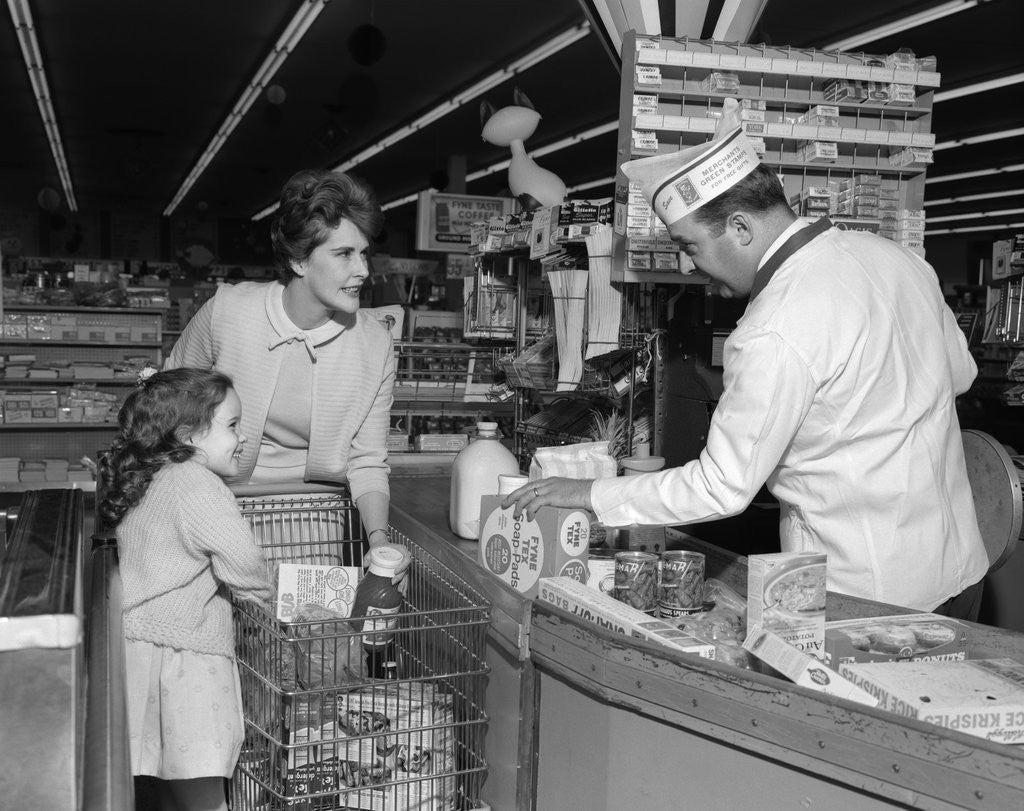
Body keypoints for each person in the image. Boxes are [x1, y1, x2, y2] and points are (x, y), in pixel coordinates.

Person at [505, 99, 988, 620]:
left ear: (739, 227)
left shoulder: (774, 326)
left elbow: (722, 487)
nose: (691, 268)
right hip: (959, 570)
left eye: (689, 246)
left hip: (866, 596)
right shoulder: (896, 258)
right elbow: (960, 375)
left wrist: (587, 492)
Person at [166, 169, 395, 549]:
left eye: (364, 253)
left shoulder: (374, 344)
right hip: (213, 500)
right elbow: (169, 398)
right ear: (299, 262)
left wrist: (380, 540)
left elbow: (368, 460)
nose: (363, 270)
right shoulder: (228, 312)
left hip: (314, 515)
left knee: (311, 611)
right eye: (343, 254)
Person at [99, 368, 273, 811]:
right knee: (204, 789)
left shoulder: (155, 474)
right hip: (186, 656)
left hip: (140, 647)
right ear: (189, 434)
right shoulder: (198, 485)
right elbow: (244, 561)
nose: (242, 437)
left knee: (165, 780)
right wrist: (270, 595)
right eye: (232, 425)